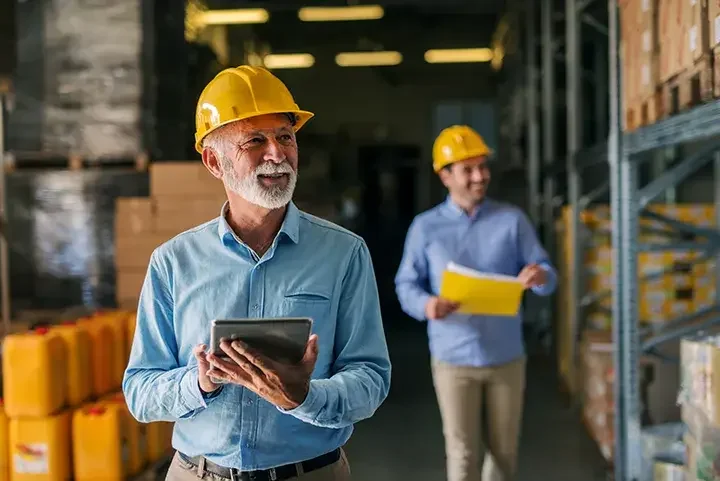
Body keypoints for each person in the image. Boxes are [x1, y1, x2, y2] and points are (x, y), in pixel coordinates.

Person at [123, 65, 392, 481]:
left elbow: (371, 377)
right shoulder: (173, 262)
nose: (277, 153)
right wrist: (199, 383)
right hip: (199, 474)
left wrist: (305, 396)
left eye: (286, 137)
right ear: (214, 161)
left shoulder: (344, 254)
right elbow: (140, 392)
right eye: (255, 140)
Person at [394, 125, 557, 481]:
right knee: (463, 453)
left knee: (504, 453)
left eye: (482, 167)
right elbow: (405, 284)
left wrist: (539, 276)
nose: (480, 176)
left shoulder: (512, 220)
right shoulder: (425, 228)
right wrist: (427, 305)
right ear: (445, 175)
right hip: (453, 360)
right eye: (468, 169)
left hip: (506, 357)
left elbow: (548, 274)